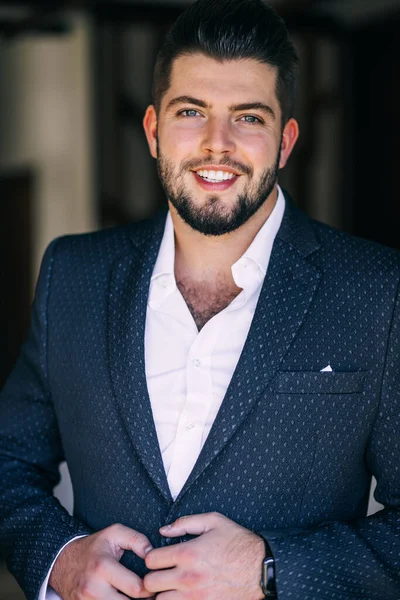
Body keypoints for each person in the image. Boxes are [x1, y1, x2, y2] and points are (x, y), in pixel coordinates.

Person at [1, 0, 399, 598]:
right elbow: (7, 462)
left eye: (249, 117)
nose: (218, 144)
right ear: (153, 130)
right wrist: (59, 557)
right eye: (191, 112)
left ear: (286, 140)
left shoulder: (377, 289)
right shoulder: (72, 275)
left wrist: (271, 569)